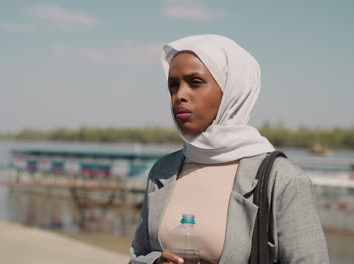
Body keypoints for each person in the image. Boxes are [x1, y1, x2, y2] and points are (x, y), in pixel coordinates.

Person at [129, 35, 329, 264]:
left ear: (232, 90)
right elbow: (138, 254)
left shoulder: (282, 180)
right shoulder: (163, 171)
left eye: (195, 82)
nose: (179, 95)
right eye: (173, 85)